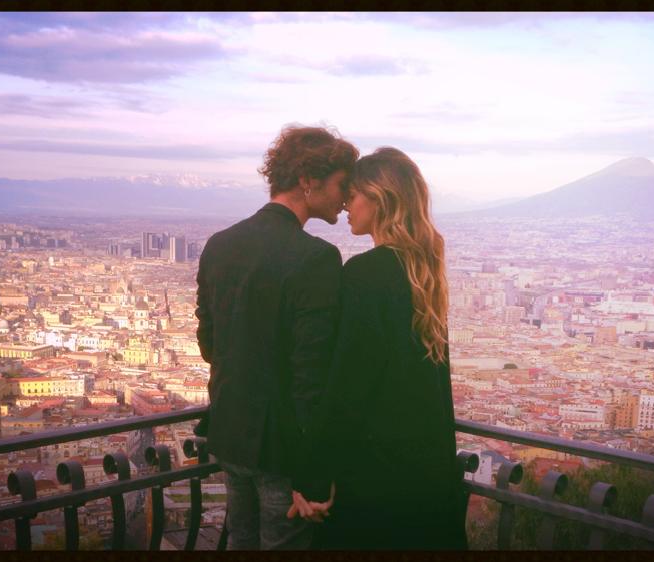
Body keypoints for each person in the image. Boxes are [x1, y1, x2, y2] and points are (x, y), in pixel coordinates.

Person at [290, 147, 467, 550]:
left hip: (376, 478)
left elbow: (348, 384)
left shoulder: (366, 273)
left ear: (379, 198)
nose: (346, 206)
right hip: (424, 478)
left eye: (353, 195)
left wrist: (313, 476)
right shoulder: (423, 271)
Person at [195, 125, 358, 550]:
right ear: (309, 181)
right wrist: (314, 471)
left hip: (231, 434)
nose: (346, 197)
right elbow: (312, 375)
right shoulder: (316, 259)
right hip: (281, 449)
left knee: (240, 543)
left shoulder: (220, 244)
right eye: (342, 184)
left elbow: (209, 344)